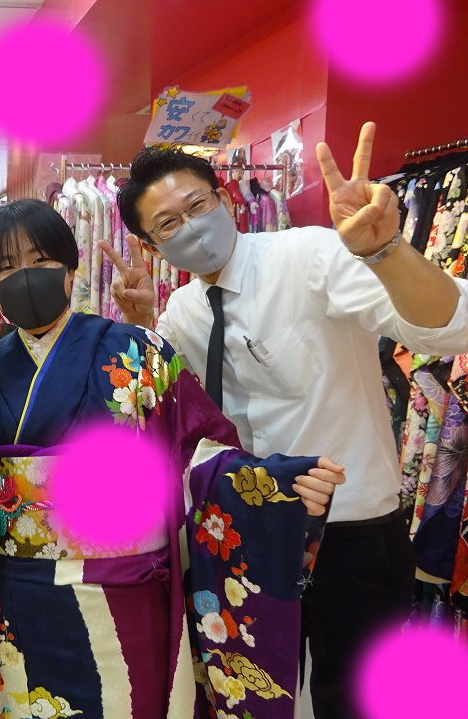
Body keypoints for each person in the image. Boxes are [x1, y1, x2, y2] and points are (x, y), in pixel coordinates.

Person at [0, 198, 345, 719]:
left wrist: (274, 484)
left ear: (71, 269)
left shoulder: (139, 351)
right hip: (22, 603)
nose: (25, 276)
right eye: (6, 268)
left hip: (128, 594)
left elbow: (196, 453)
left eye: (40, 259)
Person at [105, 122, 468, 719]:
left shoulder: (310, 256)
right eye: (167, 224)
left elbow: (448, 330)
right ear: (151, 245)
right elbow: (173, 413)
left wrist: (386, 252)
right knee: (255, 694)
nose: (190, 226)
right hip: (252, 531)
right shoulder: (183, 312)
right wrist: (142, 326)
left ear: (225, 200)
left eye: (197, 205)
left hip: (352, 531)